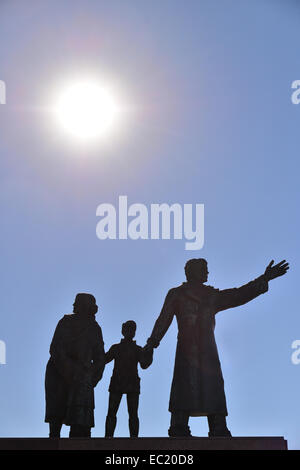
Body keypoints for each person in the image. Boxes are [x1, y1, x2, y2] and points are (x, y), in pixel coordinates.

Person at [146, 258, 289, 437]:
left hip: (206, 348)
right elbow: (163, 319)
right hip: (187, 348)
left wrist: (265, 278)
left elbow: (238, 295)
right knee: (185, 385)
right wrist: (152, 343)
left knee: (211, 385)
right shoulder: (177, 294)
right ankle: (180, 425)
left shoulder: (211, 295)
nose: (207, 273)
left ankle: (217, 426)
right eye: (204, 269)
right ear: (192, 271)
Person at [45, 293, 105, 438]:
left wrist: (91, 376)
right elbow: (55, 348)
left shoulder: (94, 328)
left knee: (80, 422)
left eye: (77, 303)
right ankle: (54, 443)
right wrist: (70, 369)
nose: (74, 306)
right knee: (56, 413)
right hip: (58, 371)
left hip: (82, 377)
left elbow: (100, 358)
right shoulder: (65, 322)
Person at [105, 320, 153, 437]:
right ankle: (108, 439)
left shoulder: (138, 349)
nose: (129, 332)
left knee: (133, 414)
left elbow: (144, 364)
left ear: (134, 332)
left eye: (132, 329)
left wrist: (150, 350)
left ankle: (134, 440)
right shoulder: (116, 348)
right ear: (123, 331)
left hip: (132, 384)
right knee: (111, 413)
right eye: (127, 329)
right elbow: (104, 359)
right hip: (117, 382)